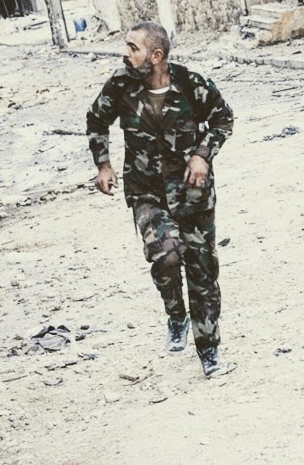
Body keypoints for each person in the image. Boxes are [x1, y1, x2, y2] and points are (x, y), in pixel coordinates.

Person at [86, 22, 235, 378]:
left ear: (155, 56)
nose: (125, 53)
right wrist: (103, 164)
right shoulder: (120, 84)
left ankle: (209, 350)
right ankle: (175, 314)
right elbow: (96, 119)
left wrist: (202, 155)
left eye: (133, 48)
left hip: (192, 194)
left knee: (202, 273)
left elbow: (223, 119)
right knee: (166, 255)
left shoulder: (191, 84)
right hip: (146, 191)